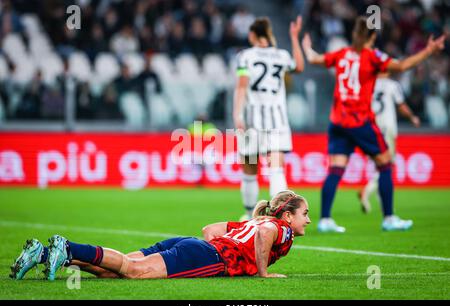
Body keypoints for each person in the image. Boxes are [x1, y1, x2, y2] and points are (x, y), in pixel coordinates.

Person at [301, 16, 445, 232]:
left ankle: (325, 220)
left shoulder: (342, 54)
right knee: (385, 164)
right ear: (373, 36)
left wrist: (305, 46)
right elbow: (403, 65)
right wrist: (429, 50)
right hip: (359, 121)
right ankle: (388, 217)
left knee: (336, 169)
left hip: (338, 122)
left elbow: (313, 59)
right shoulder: (372, 56)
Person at [10, 191, 310, 280]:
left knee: (116, 270)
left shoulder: (254, 221)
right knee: (135, 271)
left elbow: (209, 230)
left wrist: (209, 248)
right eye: (304, 214)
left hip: (194, 245)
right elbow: (267, 234)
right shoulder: (277, 228)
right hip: (207, 255)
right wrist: (262, 273)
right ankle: (68, 246)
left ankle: (47, 254)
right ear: (286, 215)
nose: (307, 220)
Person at [233, 16, 305, 220]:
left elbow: (242, 86)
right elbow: (299, 67)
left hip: (251, 119)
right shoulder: (281, 55)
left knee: (249, 171)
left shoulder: (245, 56)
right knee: (276, 170)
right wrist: (294, 37)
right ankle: (281, 218)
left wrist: (237, 114)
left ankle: (249, 215)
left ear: (252, 35)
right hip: (278, 120)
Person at [358, 73, 421, 213]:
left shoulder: (367, 84)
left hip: (371, 129)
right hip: (387, 129)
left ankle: (385, 208)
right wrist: (412, 117)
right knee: (386, 168)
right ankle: (368, 192)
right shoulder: (392, 85)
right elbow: (401, 105)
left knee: (381, 167)